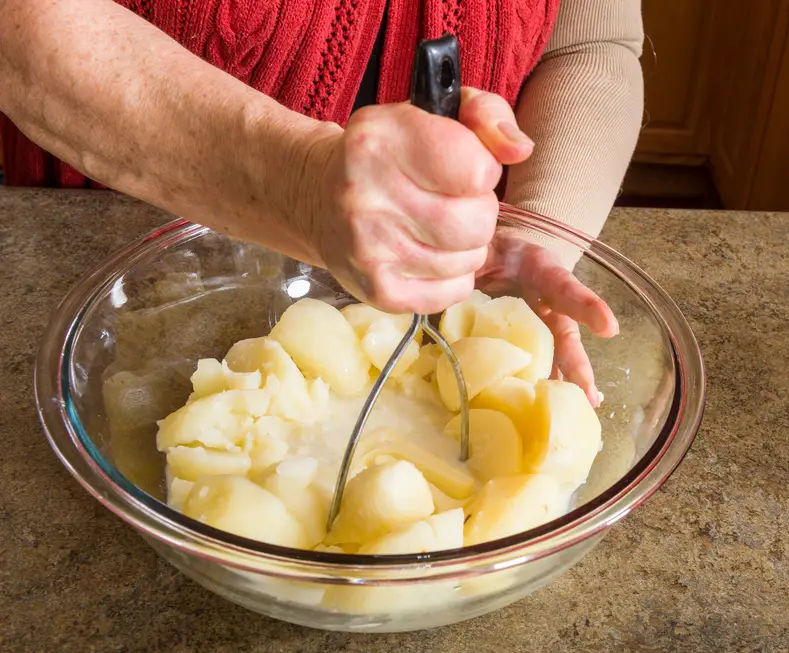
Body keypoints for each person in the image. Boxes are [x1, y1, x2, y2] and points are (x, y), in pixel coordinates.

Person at [0, 0, 644, 405]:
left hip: (435, 272)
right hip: (103, 274)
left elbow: (591, 43)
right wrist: (300, 185)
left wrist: (532, 234)